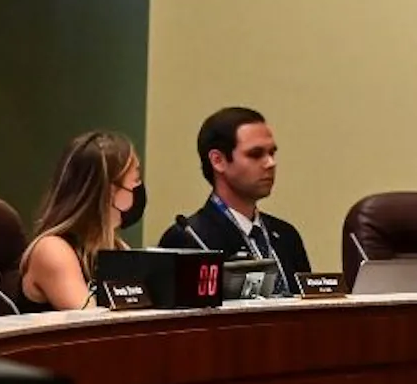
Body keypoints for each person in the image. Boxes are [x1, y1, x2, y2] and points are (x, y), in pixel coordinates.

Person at [156, 106, 310, 290]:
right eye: (255, 154)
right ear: (218, 161)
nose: (271, 163)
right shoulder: (189, 239)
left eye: (272, 153)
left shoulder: (286, 235)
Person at [17, 130, 144, 312]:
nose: (139, 188)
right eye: (135, 180)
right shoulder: (53, 250)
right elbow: (92, 324)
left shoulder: (117, 247)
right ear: (110, 192)